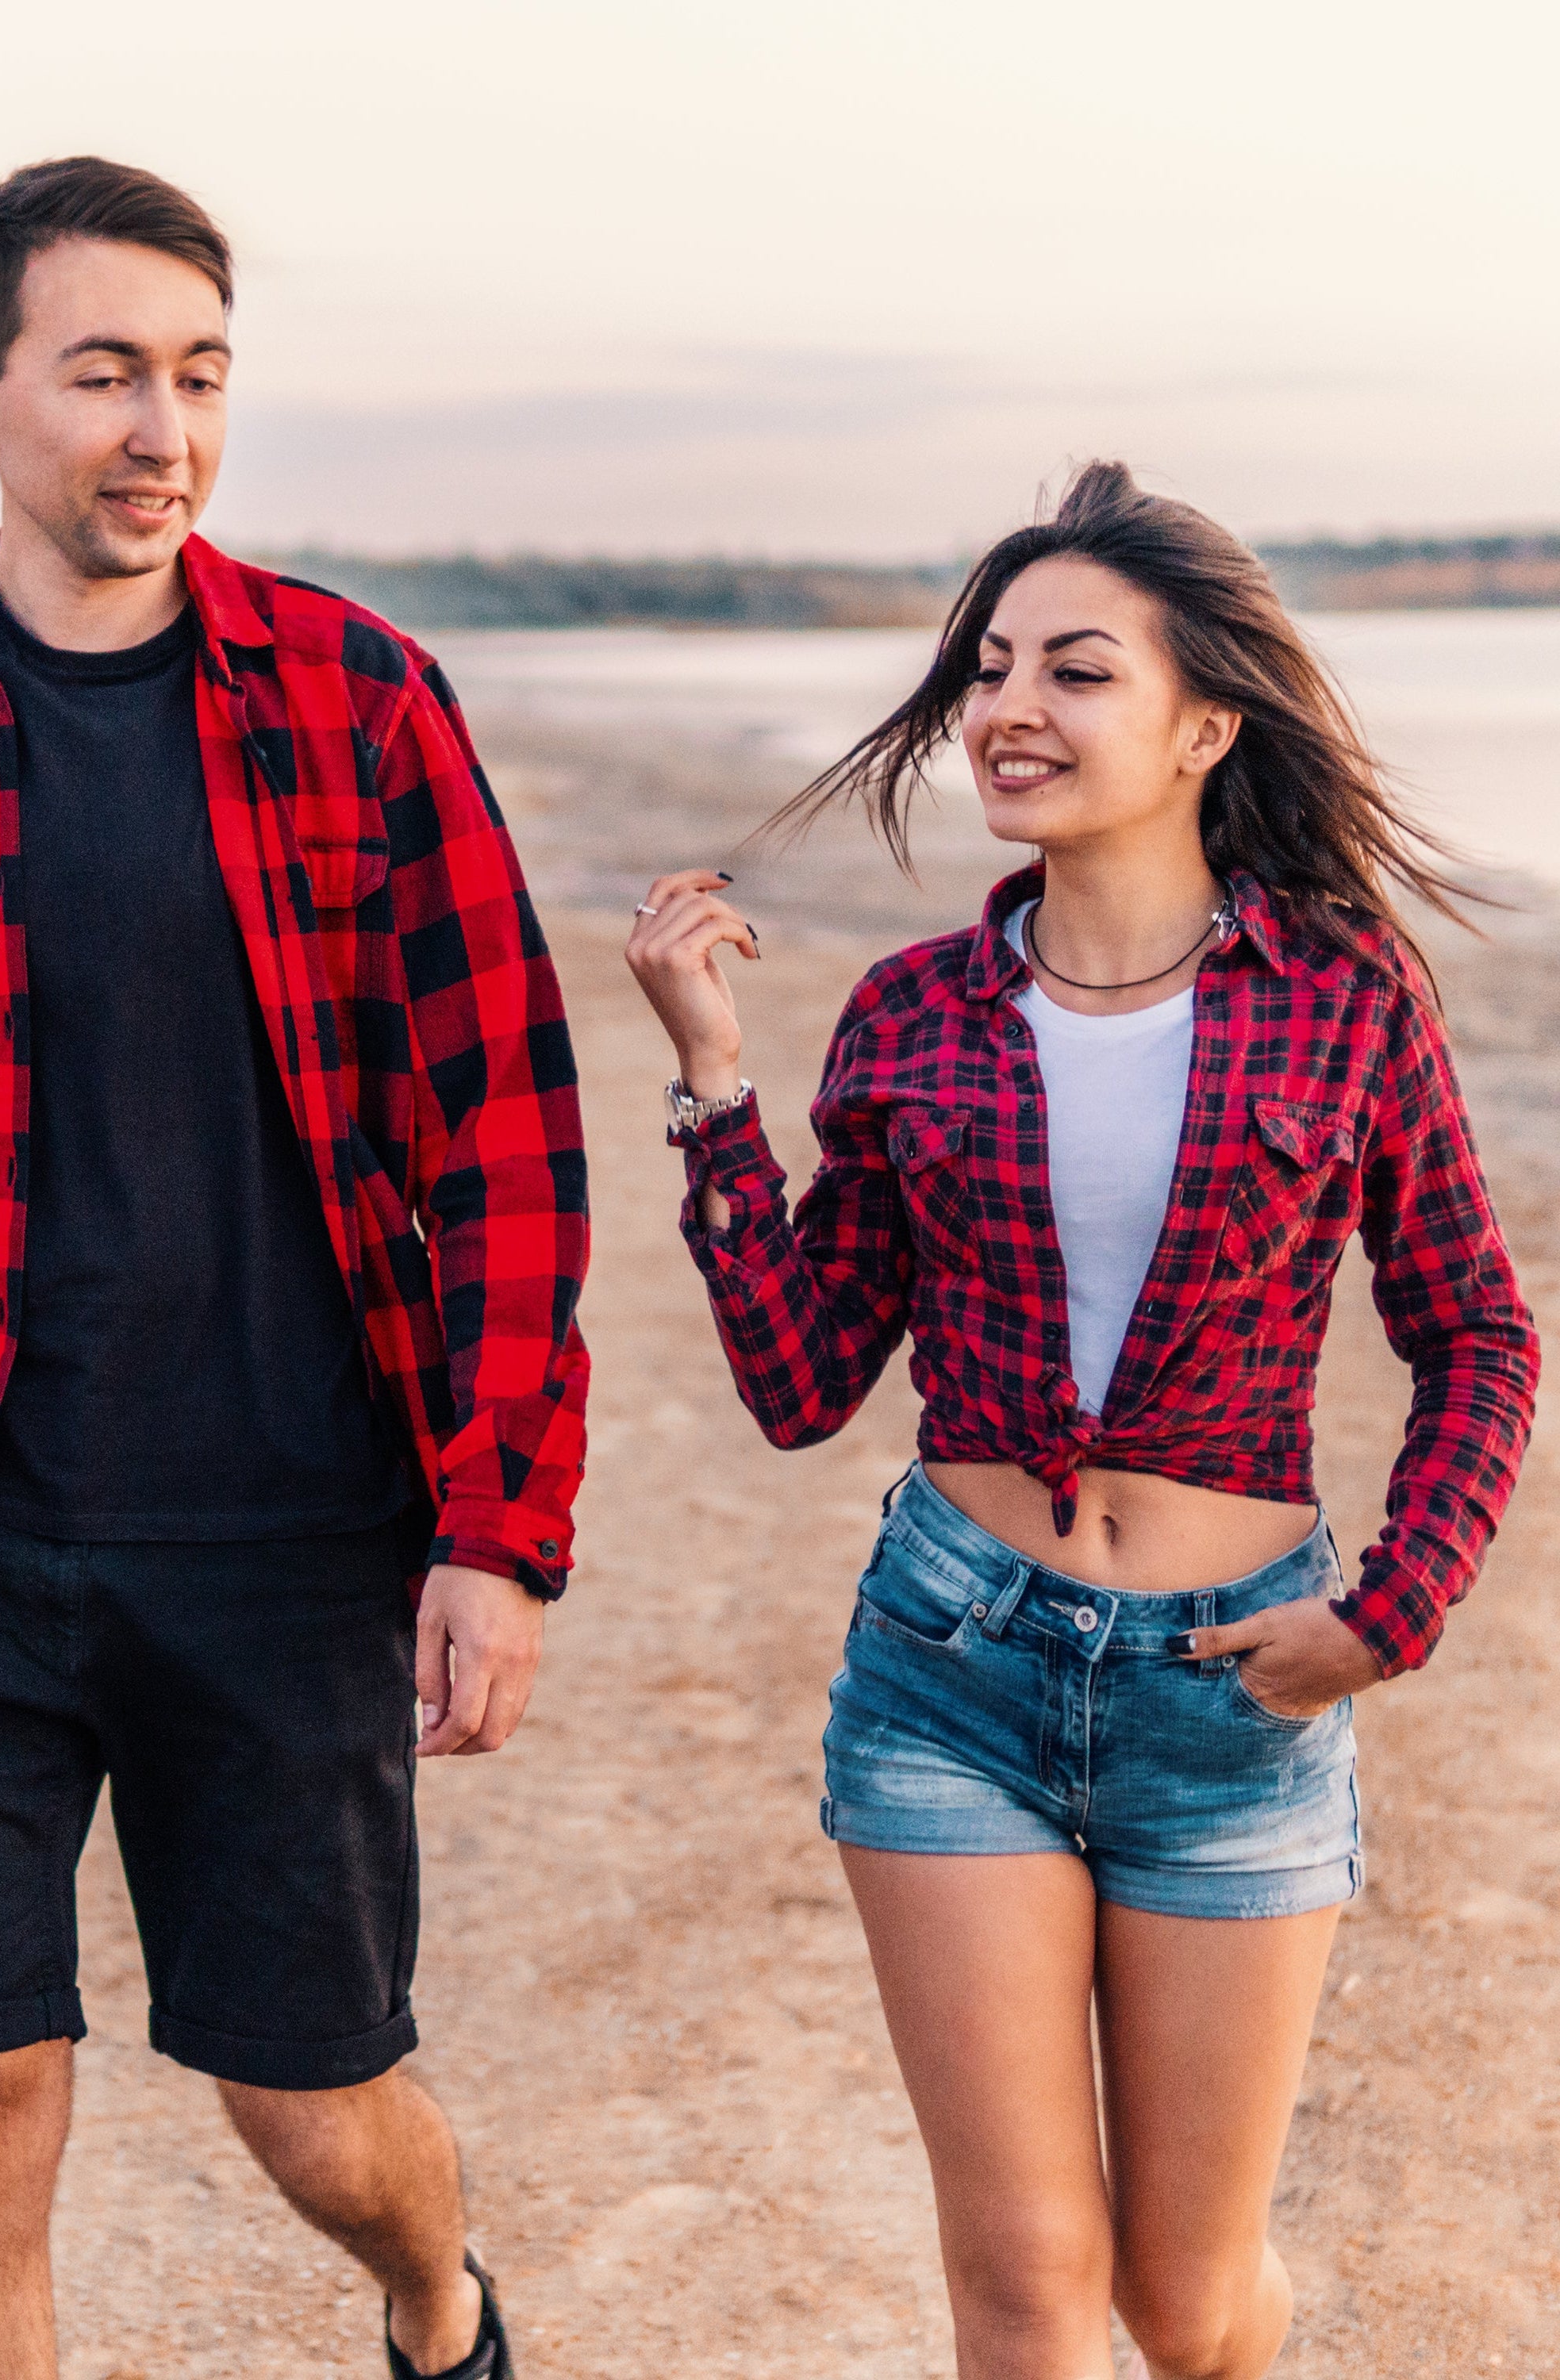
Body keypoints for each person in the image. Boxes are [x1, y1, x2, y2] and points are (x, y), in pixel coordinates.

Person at [0, 155, 587, 2380]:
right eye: (103, 374)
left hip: (284, 1530)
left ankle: (436, 2296)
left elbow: (507, 1142)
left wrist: (503, 1531)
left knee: (307, 2101)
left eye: (197, 376)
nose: (162, 431)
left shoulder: (362, 702)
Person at [627, 460, 1537, 2380]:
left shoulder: (1347, 1000)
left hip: (1231, 1696)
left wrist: (1394, 1608)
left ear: (1207, 723)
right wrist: (717, 1091)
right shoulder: (910, 1015)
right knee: (1030, 2287)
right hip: (951, 1671)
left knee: (1185, 2310)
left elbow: (1476, 1333)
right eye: (990, 664)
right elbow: (800, 1386)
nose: (1011, 706)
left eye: (1079, 670)